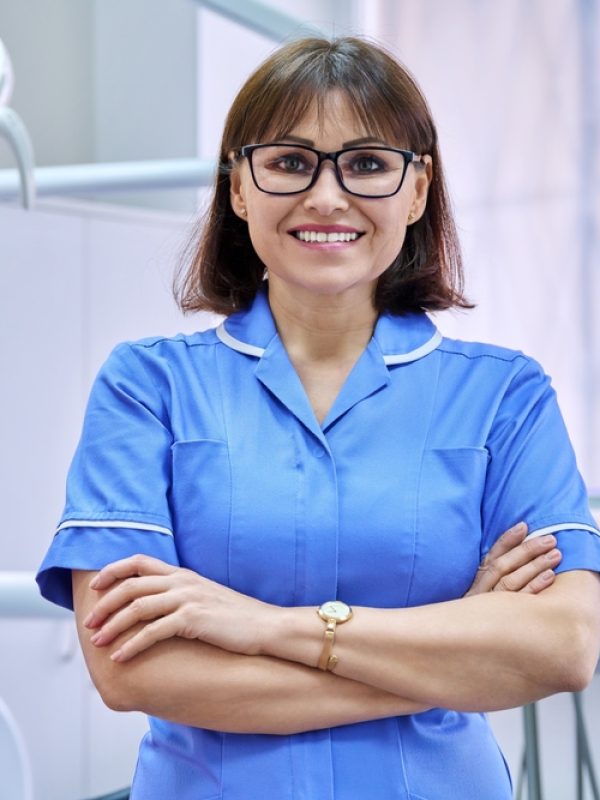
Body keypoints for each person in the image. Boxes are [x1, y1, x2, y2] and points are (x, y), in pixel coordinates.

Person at [37, 36, 600, 800]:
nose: (327, 197)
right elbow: (130, 666)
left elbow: (564, 646)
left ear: (417, 188)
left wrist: (263, 624)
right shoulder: (148, 386)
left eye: (367, 163)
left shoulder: (506, 397)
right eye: (290, 161)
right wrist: (451, 655)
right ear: (239, 187)